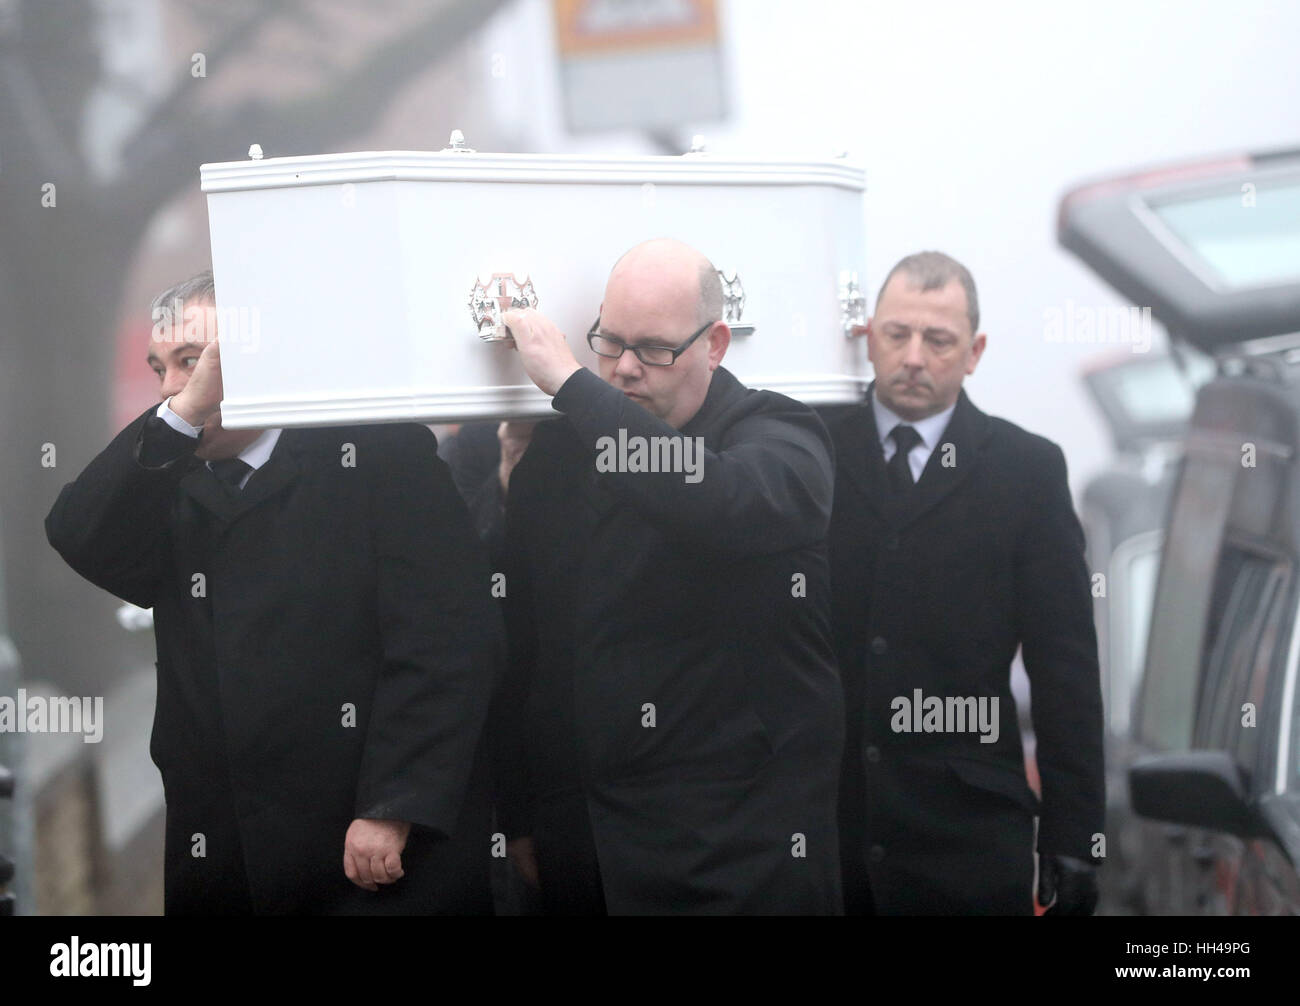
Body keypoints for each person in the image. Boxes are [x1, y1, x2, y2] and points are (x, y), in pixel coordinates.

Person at [46, 271, 503, 914]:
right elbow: (78, 535)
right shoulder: (168, 480)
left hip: (363, 848)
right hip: (225, 848)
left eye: (192, 363)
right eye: (160, 369)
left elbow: (448, 642)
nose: (174, 388)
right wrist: (177, 420)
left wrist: (393, 806)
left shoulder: (375, 455)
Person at [493, 238, 845, 915]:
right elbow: (527, 652)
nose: (624, 369)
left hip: (740, 860)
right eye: (608, 341)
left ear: (715, 343)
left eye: (654, 349)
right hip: (589, 851)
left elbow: (713, 499)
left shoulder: (780, 438)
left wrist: (574, 386)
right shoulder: (557, 462)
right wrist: (524, 816)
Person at [827, 251, 1104, 915]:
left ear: (974, 352)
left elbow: (1064, 668)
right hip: (827, 835)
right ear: (868, 337)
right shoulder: (811, 450)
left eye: (938, 340)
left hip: (968, 844)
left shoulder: (1027, 472)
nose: (914, 357)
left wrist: (1077, 837)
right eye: (896, 335)